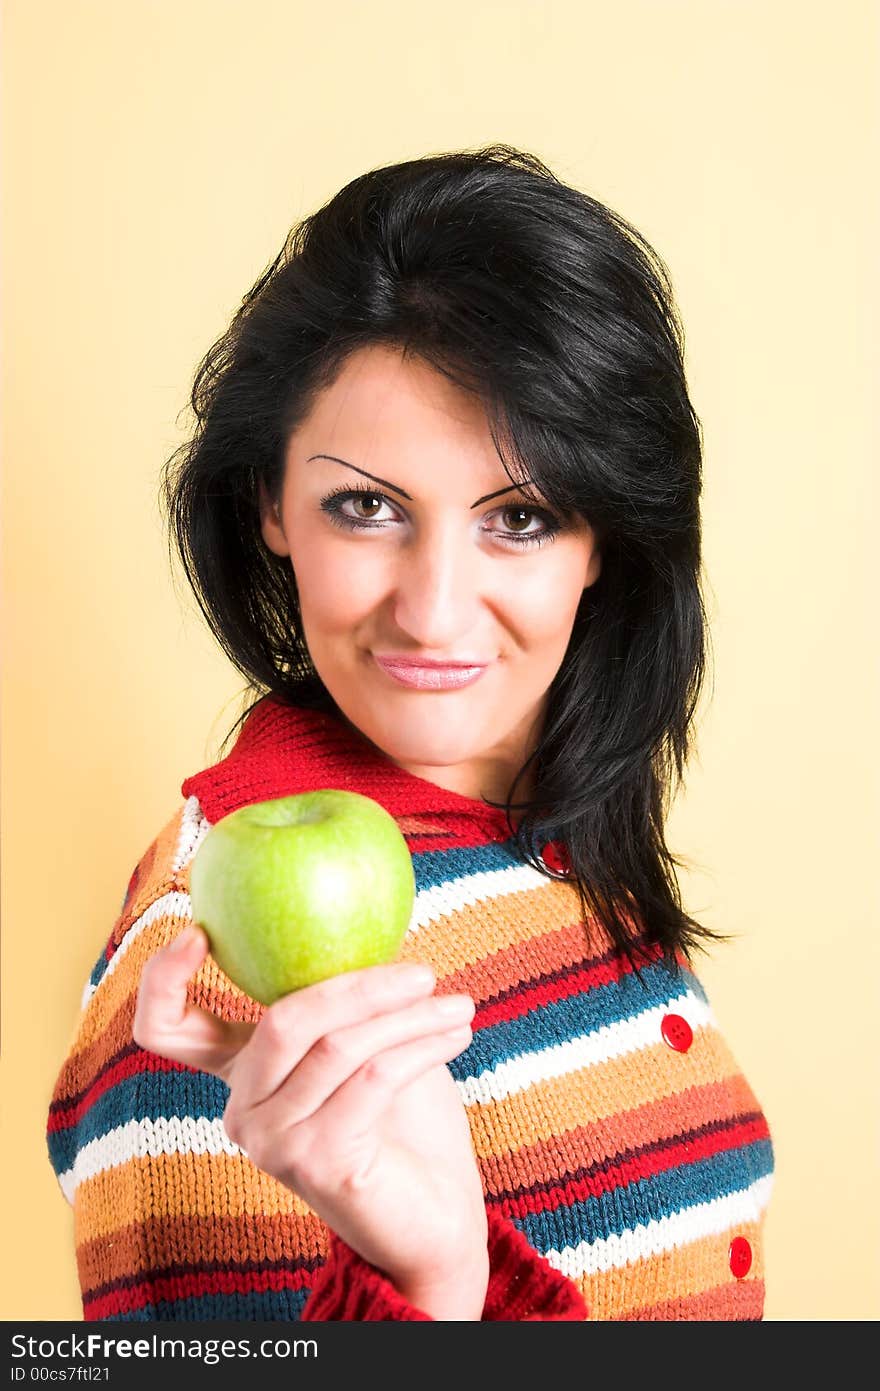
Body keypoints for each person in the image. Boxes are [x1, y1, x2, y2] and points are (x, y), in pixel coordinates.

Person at [46, 144, 774, 1321]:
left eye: (520, 516)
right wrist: (430, 1285)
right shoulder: (222, 974)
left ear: (606, 540)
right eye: (367, 506)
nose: (433, 609)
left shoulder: (546, 827)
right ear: (270, 507)